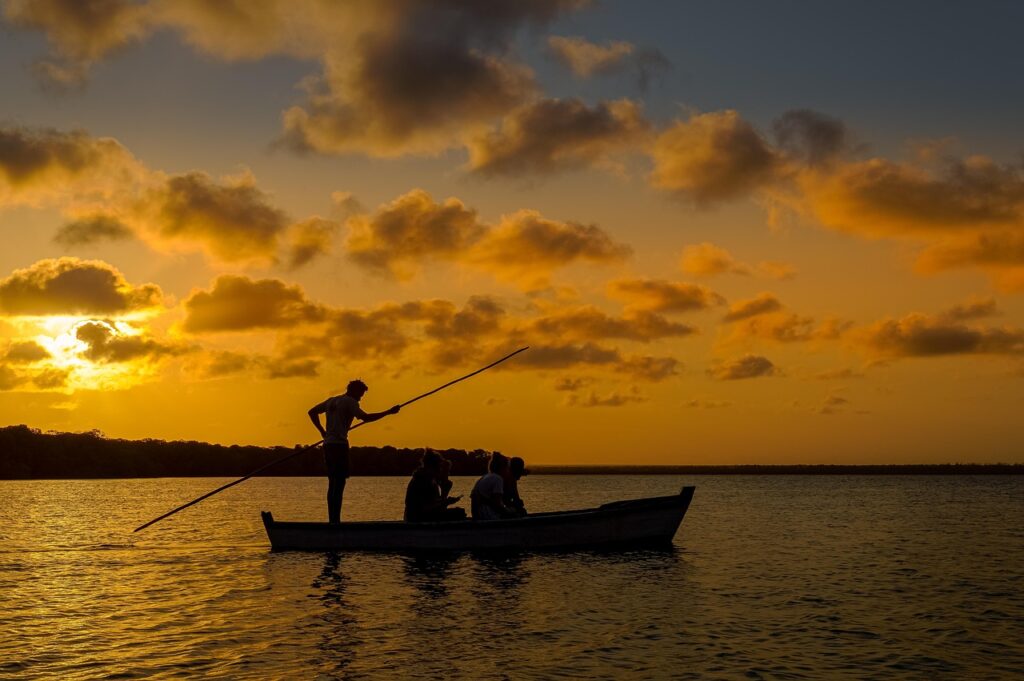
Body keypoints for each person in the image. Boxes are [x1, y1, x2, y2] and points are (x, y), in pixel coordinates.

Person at [308, 379, 399, 524]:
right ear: (355, 391)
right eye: (361, 394)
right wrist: (388, 412)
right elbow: (365, 418)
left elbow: (312, 412)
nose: (361, 398)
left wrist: (322, 432)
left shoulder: (332, 400)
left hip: (328, 445)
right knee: (339, 484)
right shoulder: (350, 402)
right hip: (339, 446)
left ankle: (332, 520)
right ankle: (335, 521)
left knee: (332, 483)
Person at [404, 450, 466, 522]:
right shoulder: (421, 480)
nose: (440, 470)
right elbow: (424, 508)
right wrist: (446, 501)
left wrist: (444, 492)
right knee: (458, 513)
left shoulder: (431, 481)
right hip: (416, 518)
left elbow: (438, 507)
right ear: (431, 467)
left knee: (460, 512)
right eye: (439, 467)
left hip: (425, 515)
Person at [470, 453, 515, 521]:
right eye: (507, 468)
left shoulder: (485, 476)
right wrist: (509, 511)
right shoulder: (498, 479)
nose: (508, 471)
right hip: (486, 514)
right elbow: (497, 504)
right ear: (503, 468)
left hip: (477, 514)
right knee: (513, 512)